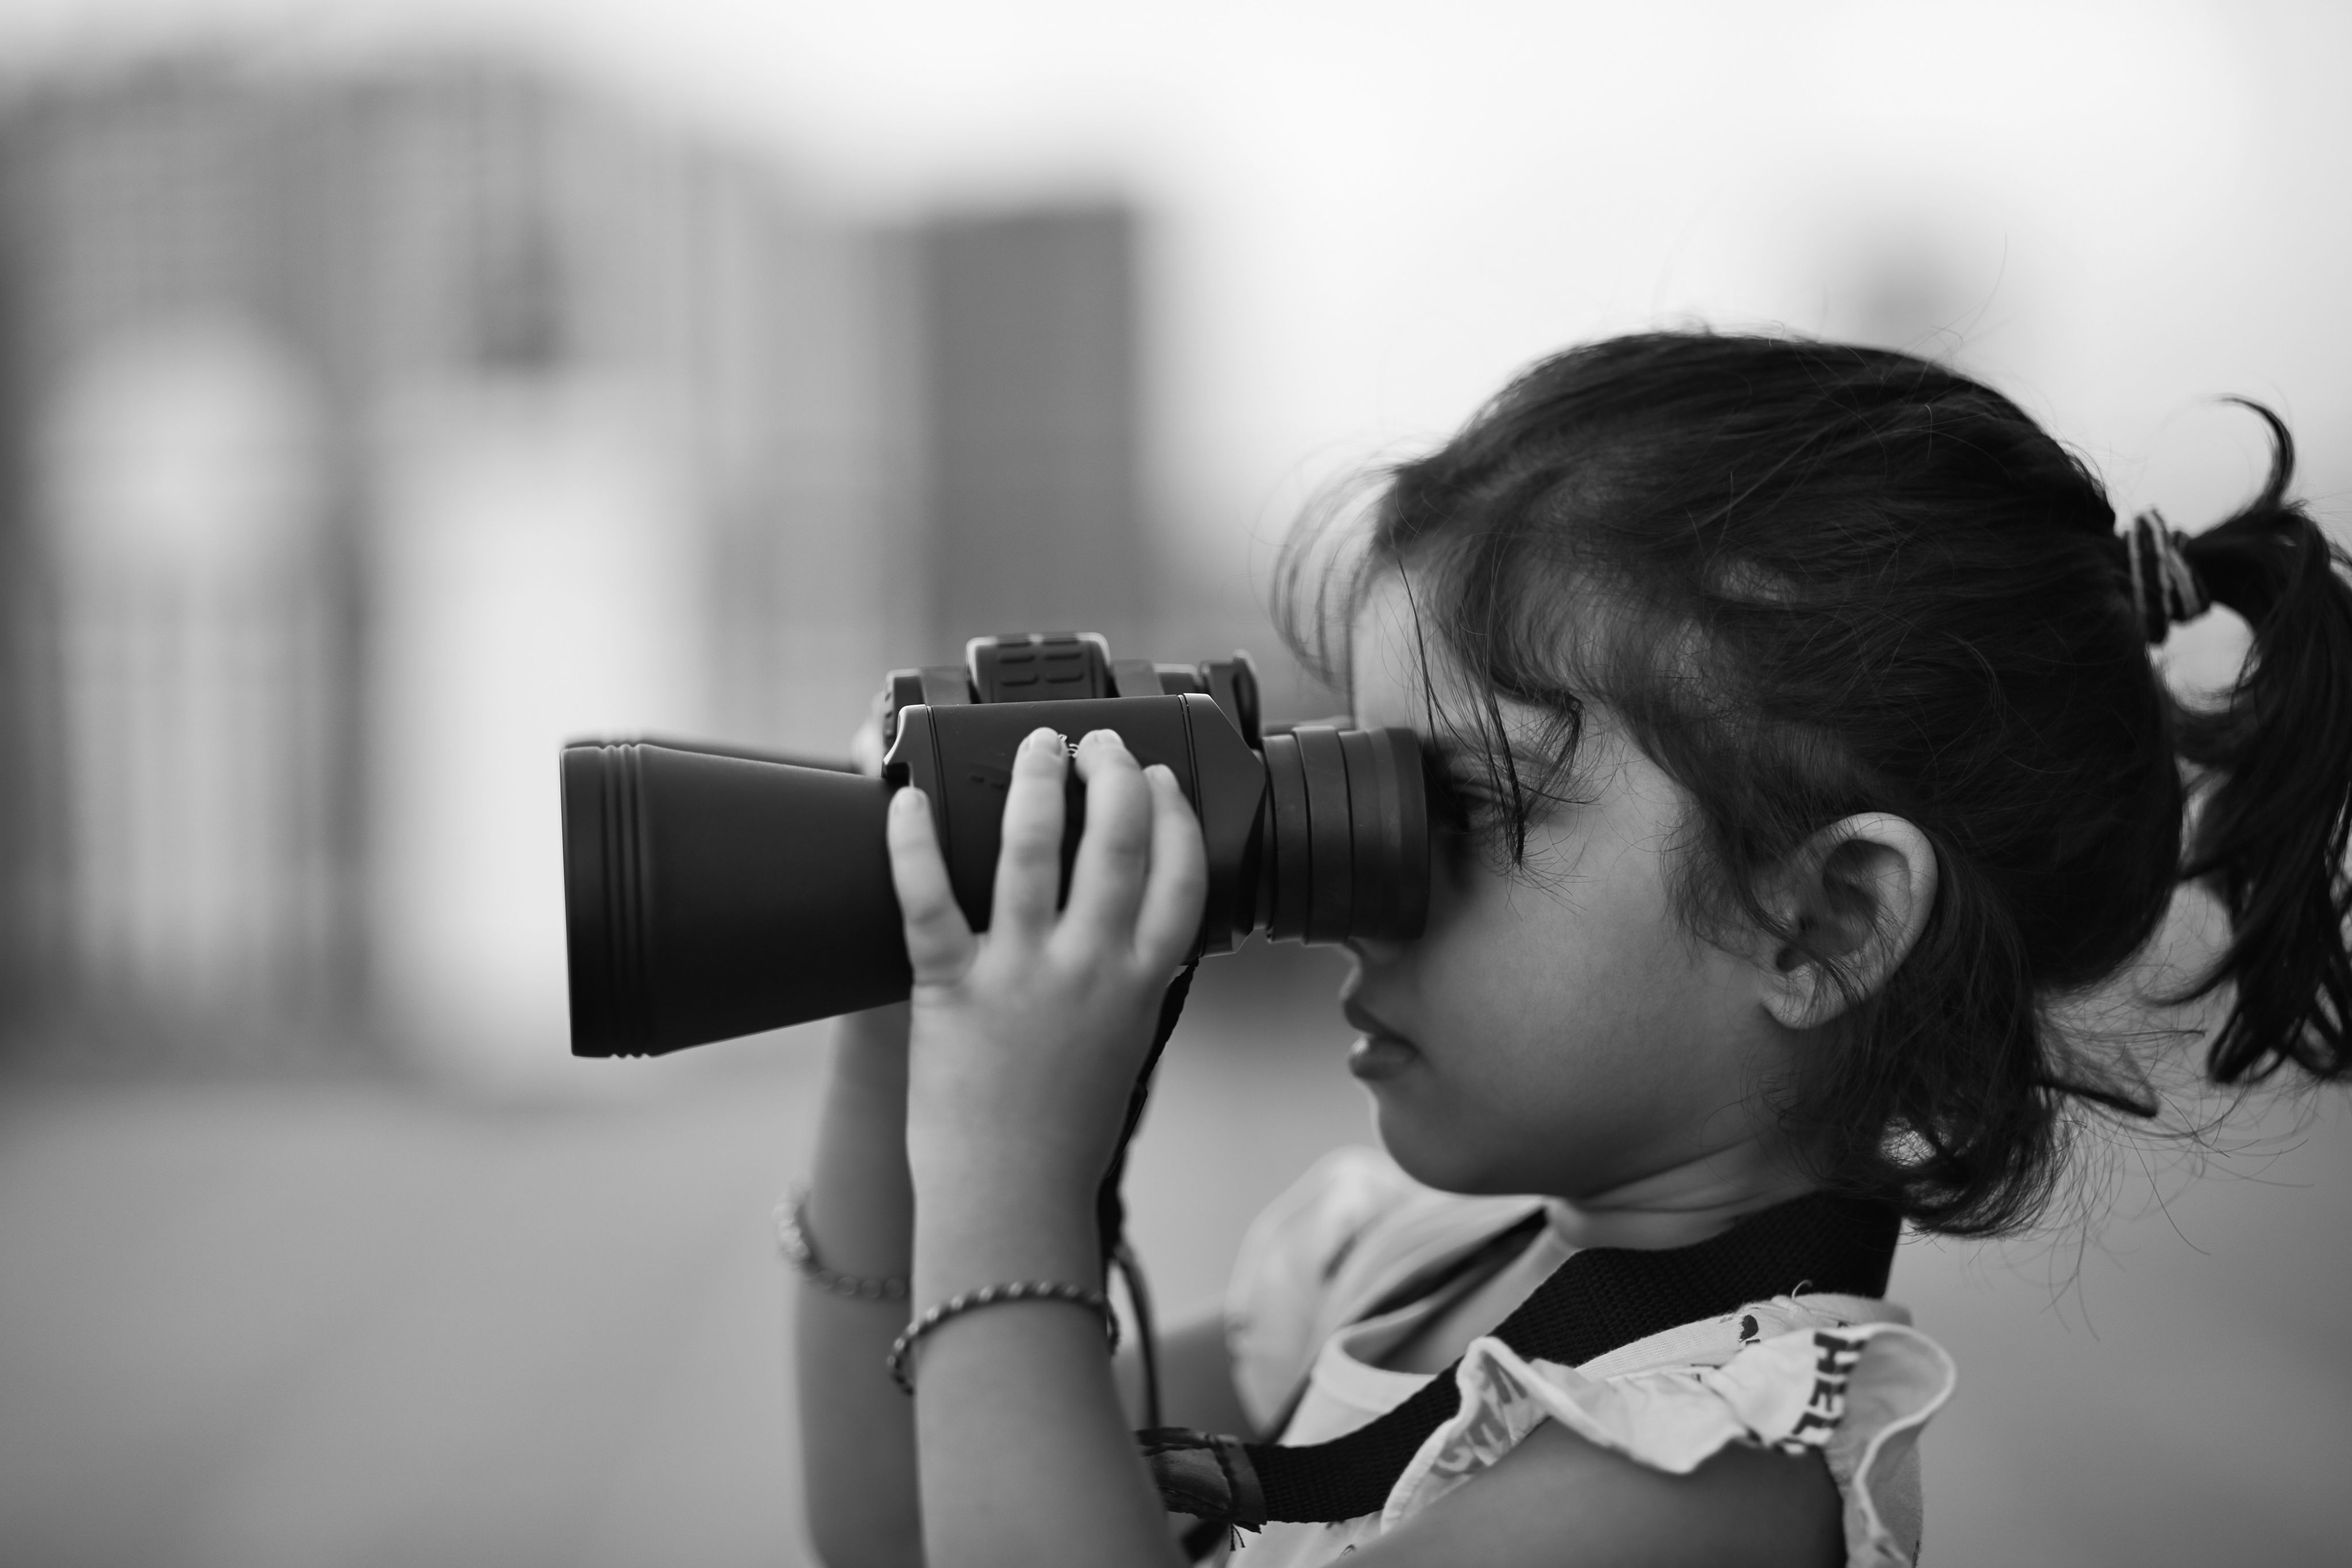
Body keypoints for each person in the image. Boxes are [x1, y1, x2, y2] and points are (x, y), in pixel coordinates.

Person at [785, 332, 2352, 1568]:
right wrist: (891, 1018)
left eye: (1457, 804)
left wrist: (1010, 1174)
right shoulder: (1391, 1264)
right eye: (1369, 778)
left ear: (1823, 922)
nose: (1358, 884)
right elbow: (904, 1524)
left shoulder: (1692, 1479)